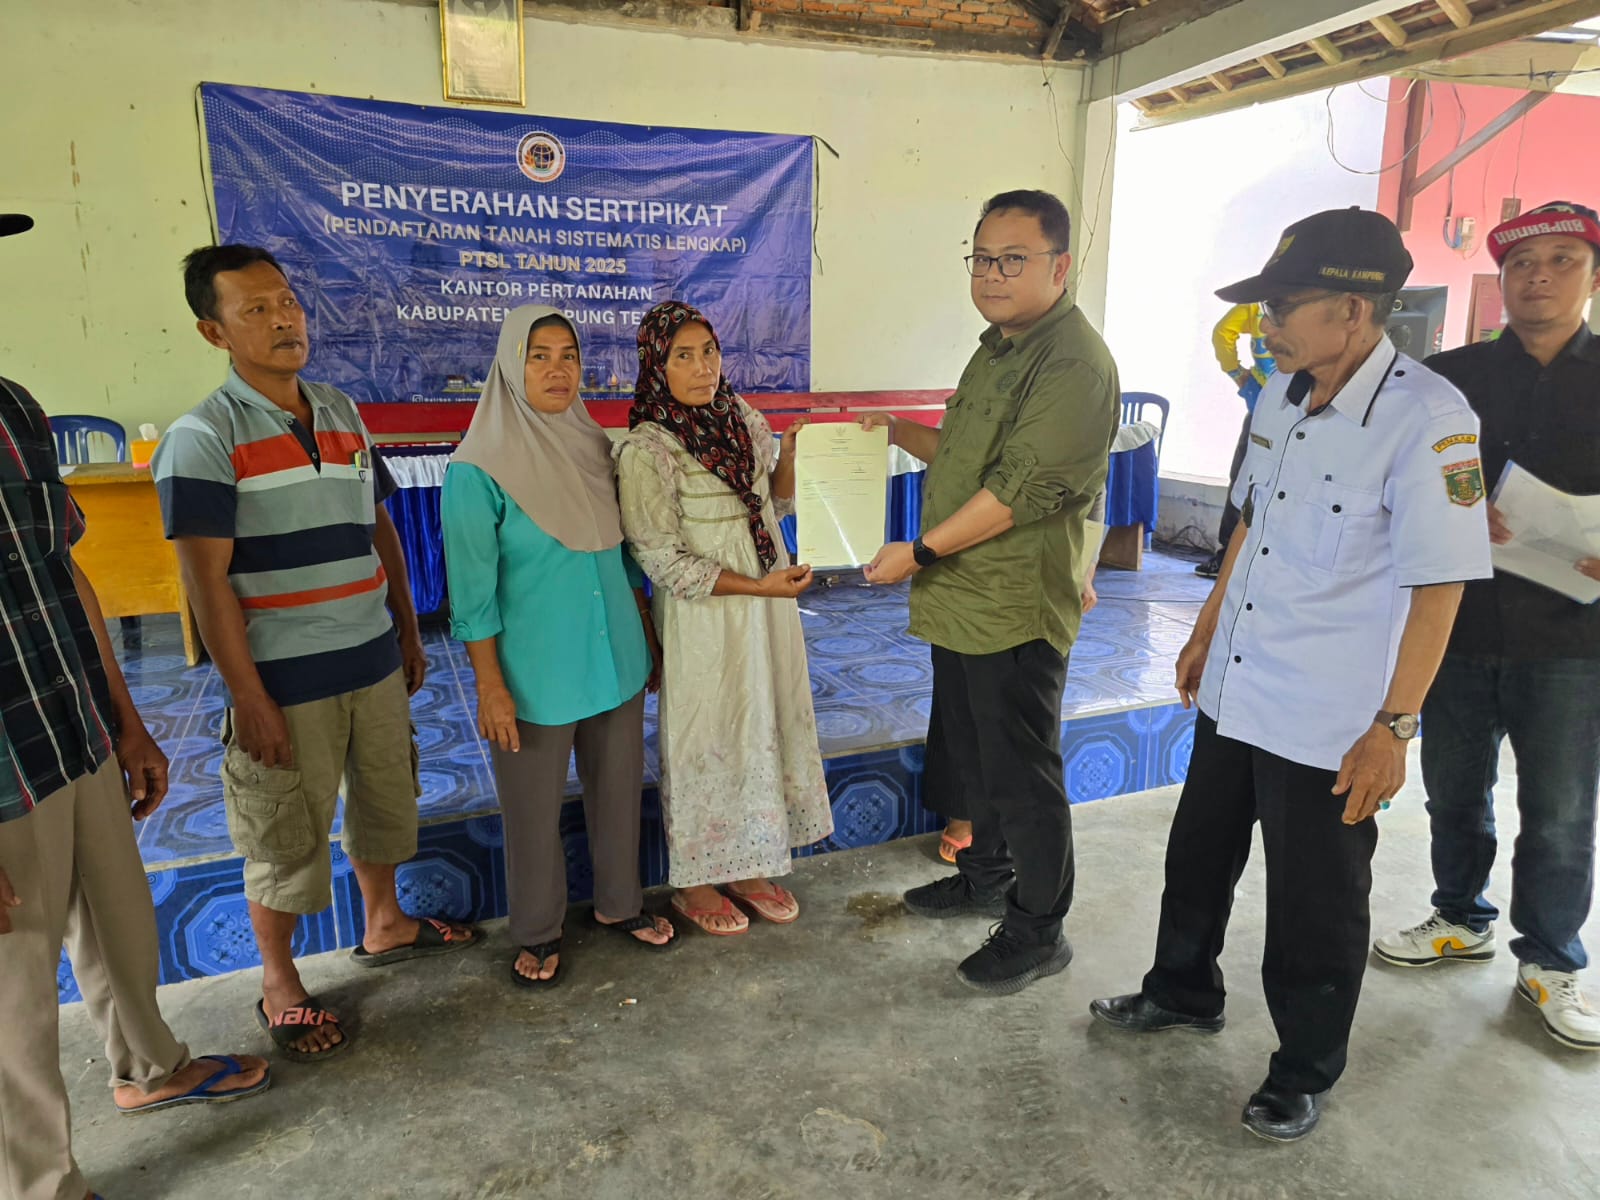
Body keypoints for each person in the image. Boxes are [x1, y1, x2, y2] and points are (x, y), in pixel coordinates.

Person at [1089, 208, 1492, 1142]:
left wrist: (1394, 727)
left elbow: (1440, 589)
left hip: (1329, 716)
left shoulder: (1430, 421)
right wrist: (1204, 630)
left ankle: (1303, 1069)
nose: (1266, 324)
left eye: (1284, 305)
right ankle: (1182, 991)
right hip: (1238, 682)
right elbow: (1247, 524)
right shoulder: (1279, 395)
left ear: (1354, 310)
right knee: (1198, 855)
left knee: (1316, 902)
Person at [152, 244, 479, 1063]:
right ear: (214, 332)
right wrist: (248, 695)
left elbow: (378, 527)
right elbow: (205, 582)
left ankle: (386, 923)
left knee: (383, 801)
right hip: (284, 682)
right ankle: (279, 981)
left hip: (371, 661)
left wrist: (407, 628)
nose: (283, 319)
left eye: (287, 301)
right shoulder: (203, 436)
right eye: (255, 309)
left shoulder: (338, 410)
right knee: (284, 837)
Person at [0, 213, 270, 1200]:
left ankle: (151, 1068)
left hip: (68, 726)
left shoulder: (13, 408)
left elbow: (64, 570)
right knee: (13, 991)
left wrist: (125, 716)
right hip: (2, 771)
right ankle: (39, 1184)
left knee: (118, 920)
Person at [865, 188, 1120, 995]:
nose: (992, 274)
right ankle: (984, 878)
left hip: (1013, 605)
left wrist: (918, 552)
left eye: (1013, 259)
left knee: (1022, 774)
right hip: (964, 599)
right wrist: (894, 432)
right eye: (982, 258)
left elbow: (1015, 493)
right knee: (973, 757)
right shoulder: (1000, 347)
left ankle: (1039, 929)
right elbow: (965, 455)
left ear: (1060, 266)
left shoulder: (1072, 363)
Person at [1373, 201, 1600, 1051]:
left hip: (1572, 636)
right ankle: (1459, 917)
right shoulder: (1449, 377)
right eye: (1522, 264)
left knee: (1560, 809)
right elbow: (1398, 475)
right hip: (1457, 625)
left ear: (1593, 276)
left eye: (1562, 259)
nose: (1539, 276)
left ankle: (1550, 960)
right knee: (1455, 790)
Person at [442, 305, 676, 986]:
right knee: (532, 808)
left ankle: (619, 904)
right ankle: (538, 930)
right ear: (510, 368)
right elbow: (472, 597)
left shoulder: (598, 446)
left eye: (568, 355)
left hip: (615, 656)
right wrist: (490, 685)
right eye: (538, 356)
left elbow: (625, 555)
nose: (556, 370)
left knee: (618, 790)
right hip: (534, 673)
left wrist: (647, 632)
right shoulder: (476, 470)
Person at [615, 300, 833, 936]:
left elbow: (774, 506)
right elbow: (661, 558)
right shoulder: (648, 448)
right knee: (710, 728)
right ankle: (698, 880)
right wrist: (758, 587)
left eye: (708, 351)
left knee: (763, 716)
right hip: (706, 621)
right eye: (683, 356)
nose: (702, 367)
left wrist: (788, 454)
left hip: (767, 609)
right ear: (656, 366)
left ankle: (751, 863)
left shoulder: (740, 417)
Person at [1196, 303, 1278, 578]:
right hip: (1278, 406)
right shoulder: (1265, 305)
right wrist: (1238, 375)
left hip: (1265, 403)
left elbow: (1222, 333)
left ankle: (1227, 557)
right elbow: (1222, 333)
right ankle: (1232, 557)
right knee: (1246, 480)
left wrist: (1236, 372)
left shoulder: (1257, 305)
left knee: (1244, 478)